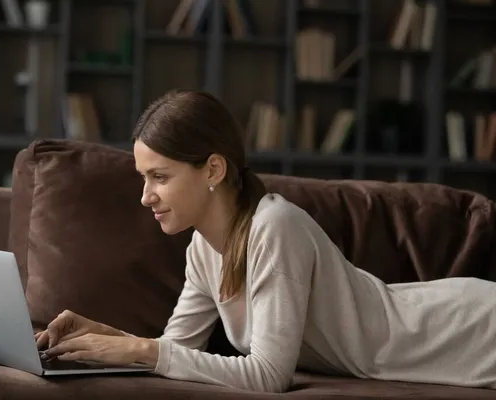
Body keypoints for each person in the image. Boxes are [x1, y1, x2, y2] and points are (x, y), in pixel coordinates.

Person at [37, 89, 496, 393]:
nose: (145, 196)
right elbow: (176, 350)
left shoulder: (276, 226)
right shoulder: (203, 251)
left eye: (160, 177)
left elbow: (268, 376)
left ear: (213, 170)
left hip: (464, 329)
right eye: (143, 178)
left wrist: (140, 350)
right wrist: (103, 337)